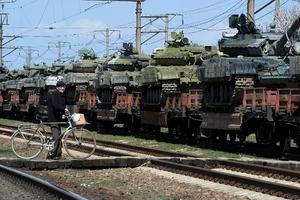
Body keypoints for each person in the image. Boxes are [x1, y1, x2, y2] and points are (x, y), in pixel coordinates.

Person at [46, 80, 68, 160]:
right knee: (56, 137)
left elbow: (63, 105)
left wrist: (63, 113)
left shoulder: (63, 96)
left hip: (58, 119)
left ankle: (58, 155)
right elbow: (55, 105)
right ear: (57, 87)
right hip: (53, 119)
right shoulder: (53, 94)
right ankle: (50, 154)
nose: (63, 88)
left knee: (59, 136)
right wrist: (63, 109)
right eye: (61, 87)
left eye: (64, 86)